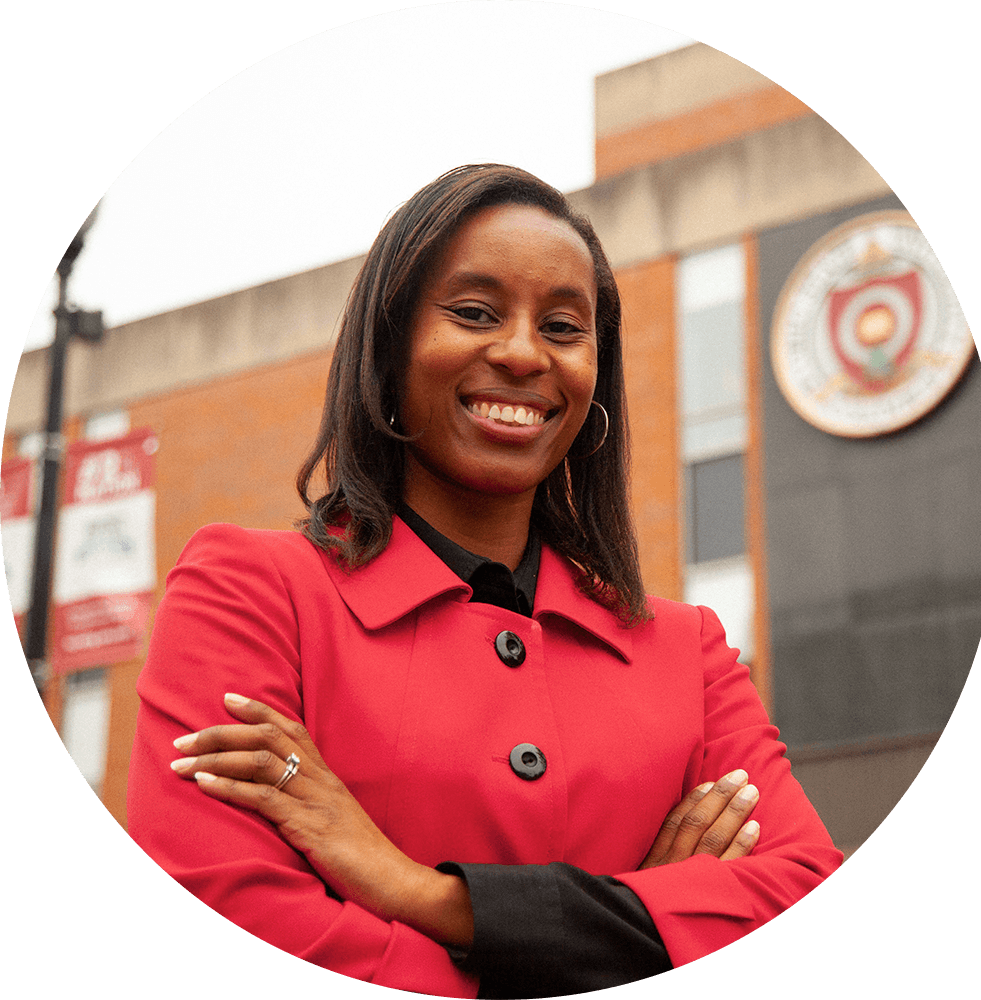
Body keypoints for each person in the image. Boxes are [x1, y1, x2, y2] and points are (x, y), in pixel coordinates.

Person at [126, 164, 842, 997]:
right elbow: (232, 906)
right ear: (387, 349)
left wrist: (419, 894)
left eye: (565, 328)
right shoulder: (249, 594)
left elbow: (798, 884)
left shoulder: (690, 653)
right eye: (474, 313)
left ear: (594, 380)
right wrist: (632, 929)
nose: (523, 353)